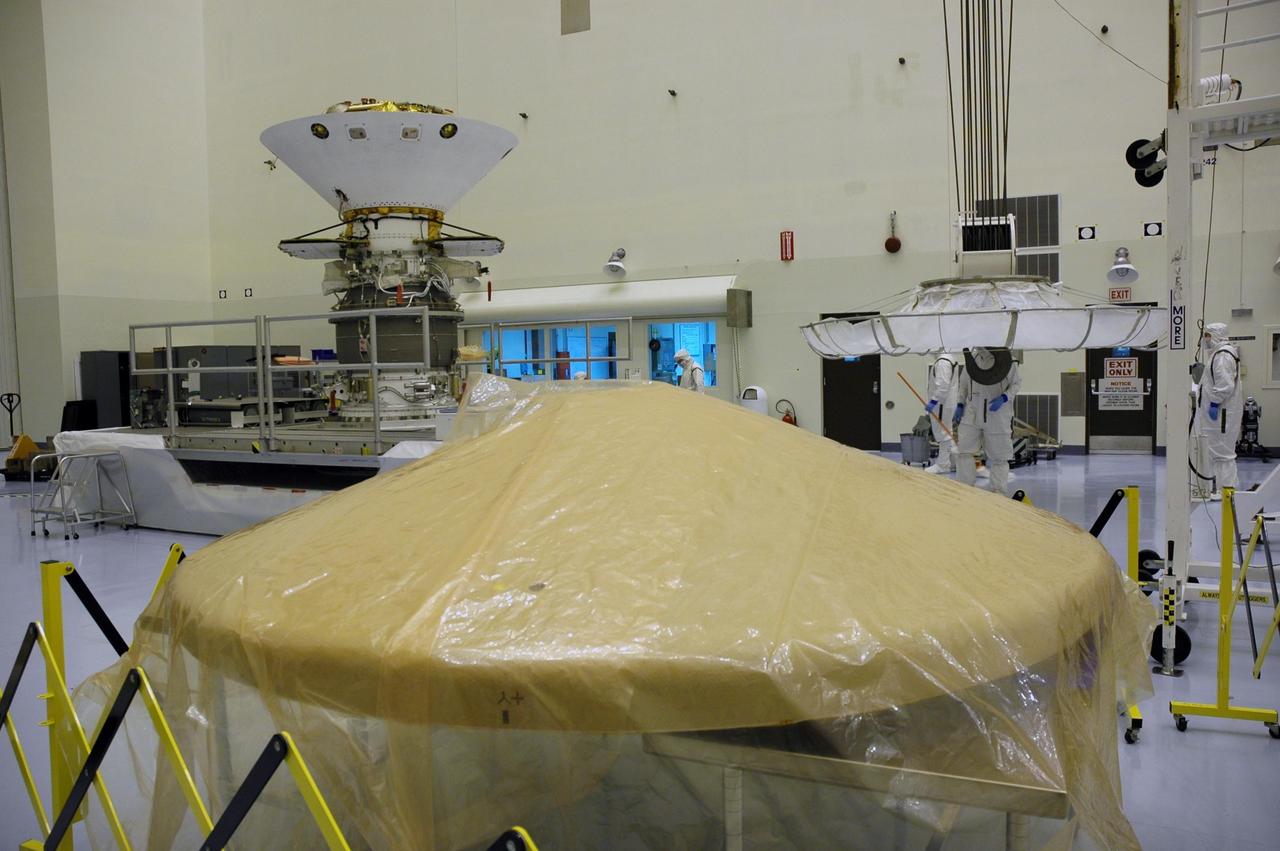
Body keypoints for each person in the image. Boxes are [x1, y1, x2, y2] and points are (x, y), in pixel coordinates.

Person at [953, 346, 1021, 495]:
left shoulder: (1008, 361)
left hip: (997, 413)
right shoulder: (973, 360)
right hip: (972, 411)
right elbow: (963, 384)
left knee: (1000, 456)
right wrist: (960, 403)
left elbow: (1016, 384)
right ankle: (965, 488)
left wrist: (1004, 398)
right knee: (964, 450)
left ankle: (998, 491)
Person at [1197, 322, 1243, 496]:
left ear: (1216, 335)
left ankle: (1226, 490)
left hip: (1221, 414)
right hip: (1220, 413)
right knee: (1216, 451)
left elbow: (1225, 385)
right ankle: (1221, 488)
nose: (1205, 339)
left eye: (1207, 335)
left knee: (1222, 453)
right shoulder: (1220, 353)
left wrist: (1214, 403)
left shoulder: (1223, 355)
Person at [923, 352, 959, 474]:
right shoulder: (948, 359)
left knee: (942, 433)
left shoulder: (943, 362)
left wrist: (933, 401)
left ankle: (943, 465)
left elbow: (943, 386)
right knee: (947, 432)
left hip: (941, 404)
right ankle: (955, 462)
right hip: (945, 403)